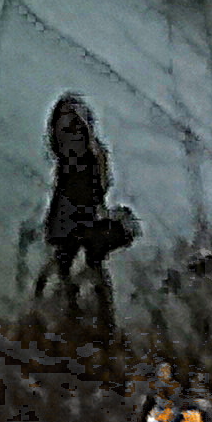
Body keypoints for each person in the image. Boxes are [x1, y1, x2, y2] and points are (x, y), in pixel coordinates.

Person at [41, 92, 136, 335]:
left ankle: (93, 317)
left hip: (78, 216)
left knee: (80, 264)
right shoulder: (91, 154)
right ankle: (90, 314)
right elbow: (98, 186)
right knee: (78, 264)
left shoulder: (82, 158)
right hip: (77, 215)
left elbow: (84, 189)